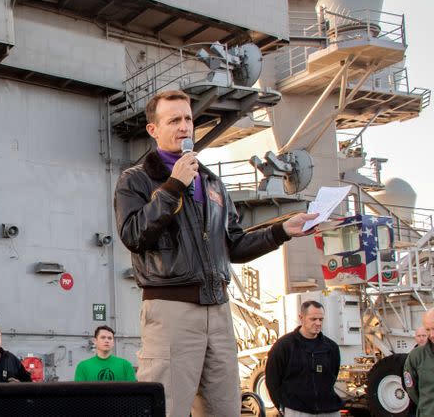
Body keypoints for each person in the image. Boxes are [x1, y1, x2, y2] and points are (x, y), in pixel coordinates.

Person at [113, 89, 318, 416]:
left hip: (219, 312)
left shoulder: (212, 184)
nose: (184, 127)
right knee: (166, 409)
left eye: (188, 119)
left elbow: (233, 244)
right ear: (153, 130)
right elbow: (134, 235)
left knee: (225, 410)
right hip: (171, 309)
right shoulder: (135, 180)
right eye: (174, 120)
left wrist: (281, 230)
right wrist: (173, 187)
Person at [264, 301, 342, 416]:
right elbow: (272, 380)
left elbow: (333, 376)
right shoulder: (284, 346)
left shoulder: (331, 347)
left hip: (329, 410)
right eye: (313, 319)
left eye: (321, 319)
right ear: (301, 317)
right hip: (297, 411)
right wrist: (283, 406)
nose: (318, 323)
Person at [404, 309, 434, 416]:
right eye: (428, 329)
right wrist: (427, 408)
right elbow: (411, 389)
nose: (432, 334)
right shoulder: (416, 356)